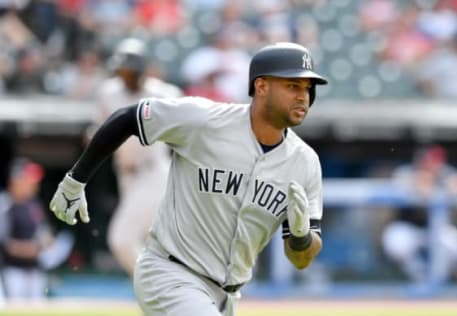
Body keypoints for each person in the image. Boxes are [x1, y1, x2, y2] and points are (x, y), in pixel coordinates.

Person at [49, 42, 327, 315]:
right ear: (261, 85)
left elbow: (300, 259)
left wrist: (302, 238)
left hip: (227, 295)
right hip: (171, 273)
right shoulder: (206, 121)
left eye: (307, 88)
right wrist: (76, 180)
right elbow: (127, 118)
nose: (303, 96)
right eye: (293, 86)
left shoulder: (305, 163)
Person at [92, 37, 183, 276]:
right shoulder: (108, 92)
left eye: (130, 70)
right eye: (122, 70)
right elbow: (100, 128)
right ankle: (162, 295)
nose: (125, 75)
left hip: (154, 172)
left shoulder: (163, 93)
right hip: (125, 175)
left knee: (122, 239)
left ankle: (158, 287)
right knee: (148, 243)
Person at [381, 145, 457, 283]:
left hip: (435, 228)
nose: (433, 165)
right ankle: (418, 277)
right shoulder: (406, 172)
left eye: (436, 162)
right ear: (420, 161)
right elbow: (407, 185)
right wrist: (419, 186)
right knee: (395, 242)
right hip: (409, 227)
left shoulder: (444, 172)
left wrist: (450, 186)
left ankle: (441, 281)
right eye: (429, 161)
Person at [0, 157, 73, 299]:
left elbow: (44, 233)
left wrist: (50, 245)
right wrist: (35, 249)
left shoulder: (34, 205)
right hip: (11, 274)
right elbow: (5, 244)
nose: (34, 186)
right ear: (16, 180)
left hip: (36, 273)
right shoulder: (5, 204)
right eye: (29, 181)